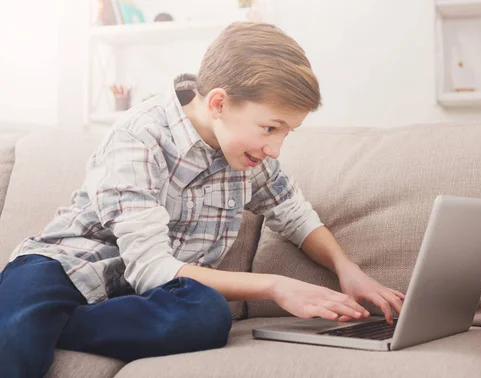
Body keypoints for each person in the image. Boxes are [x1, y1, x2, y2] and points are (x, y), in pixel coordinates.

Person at [0, 22, 405, 377]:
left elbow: (294, 214)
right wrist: (277, 286)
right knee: (16, 334)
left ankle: (56, 324)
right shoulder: (139, 137)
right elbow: (151, 267)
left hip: (139, 298)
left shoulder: (246, 155)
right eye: (270, 128)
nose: (276, 148)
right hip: (63, 269)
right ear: (218, 103)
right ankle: (40, 317)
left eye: (287, 133)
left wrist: (347, 269)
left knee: (207, 315)